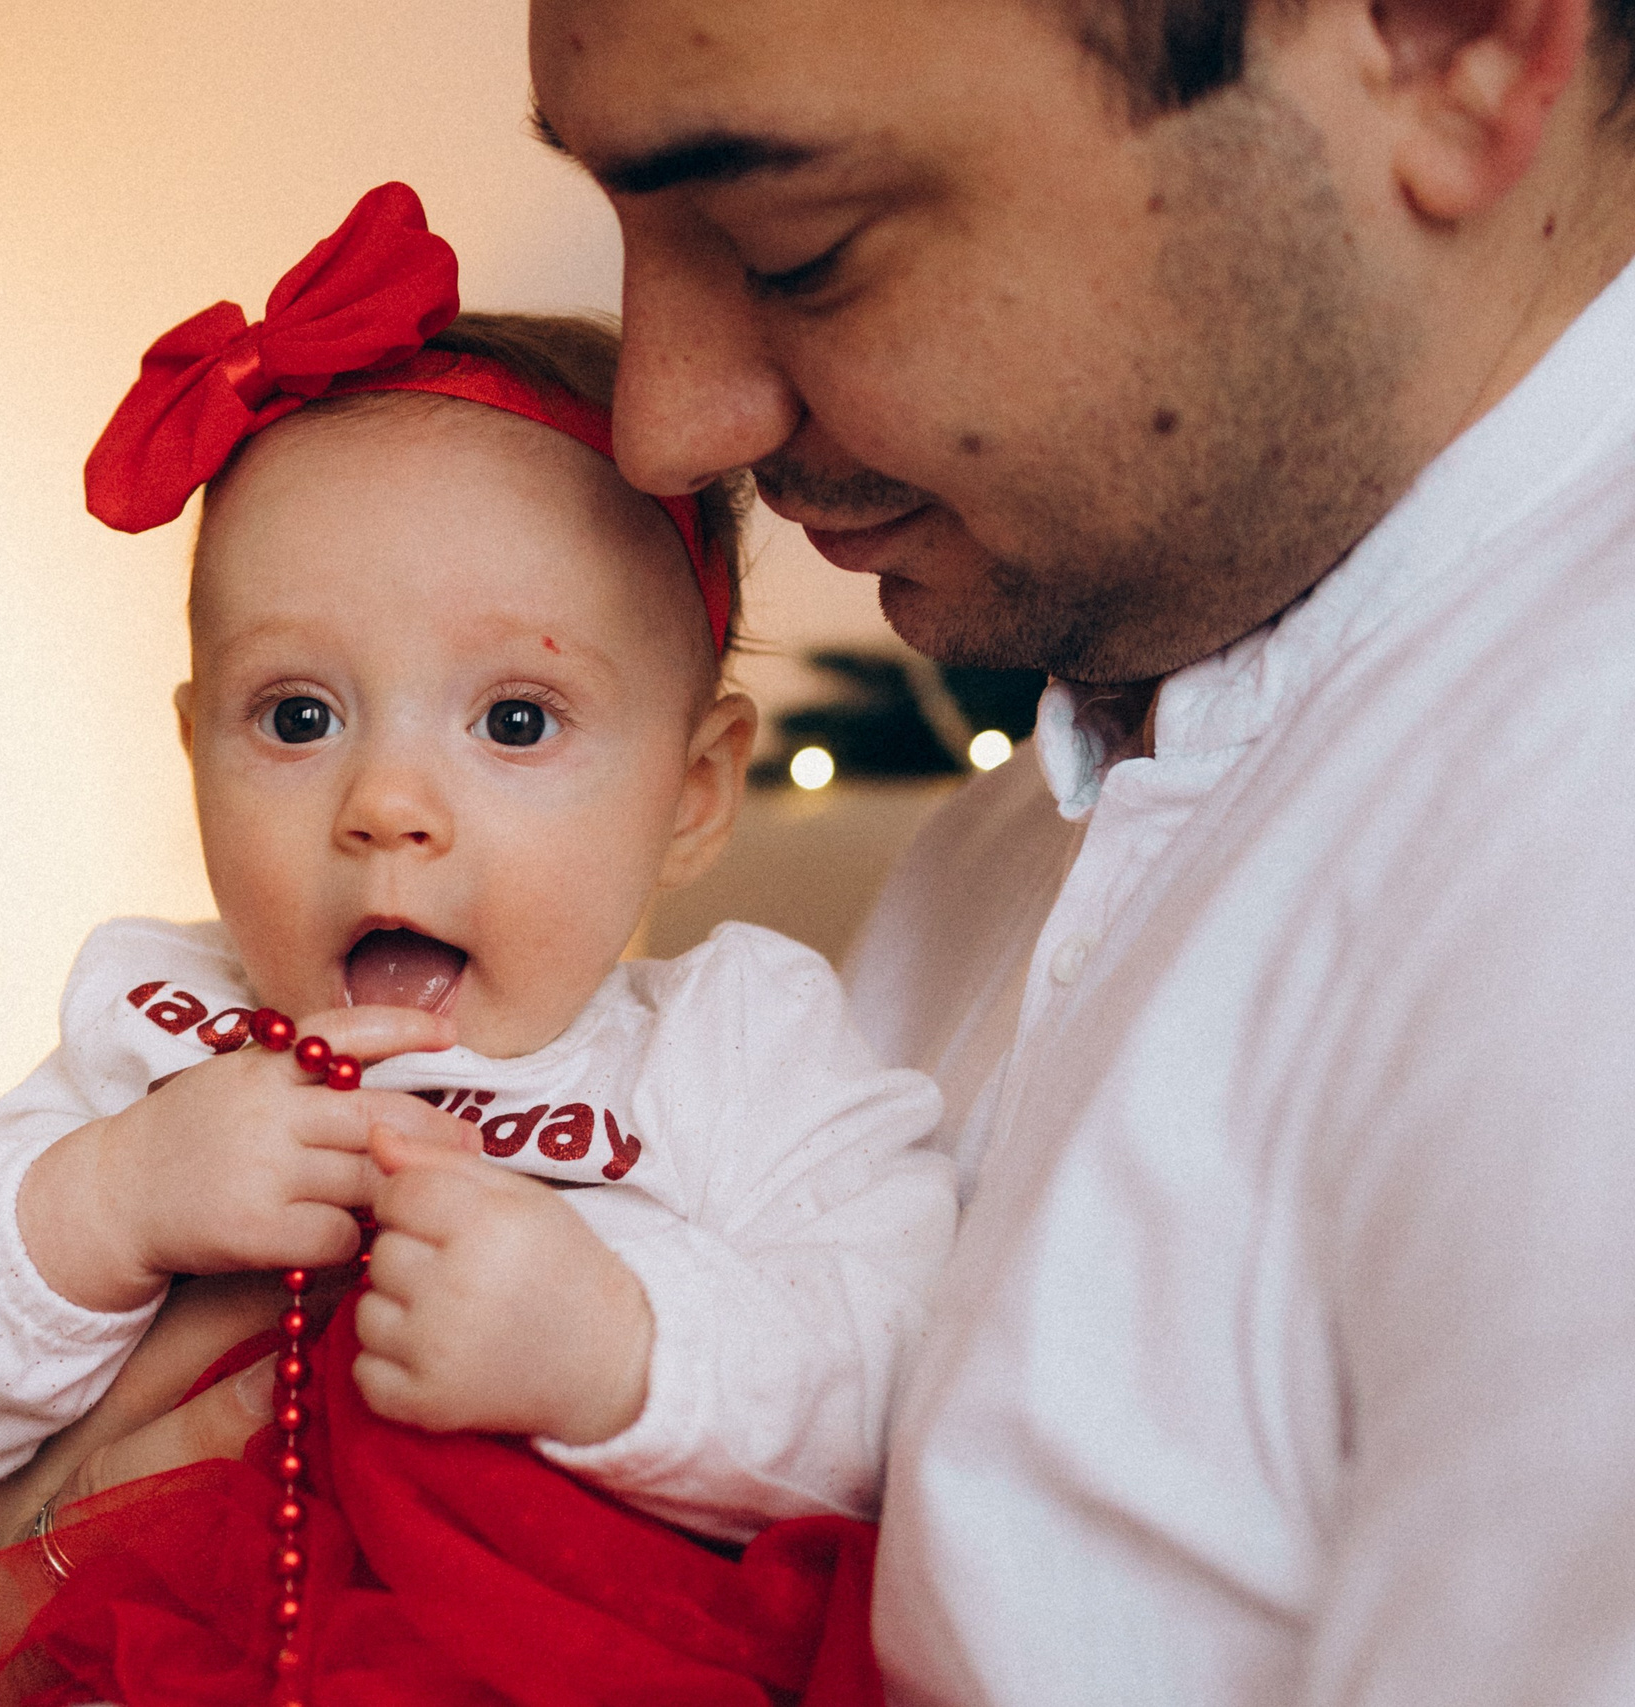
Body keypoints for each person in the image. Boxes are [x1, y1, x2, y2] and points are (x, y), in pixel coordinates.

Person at [525, 0, 1635, 1703]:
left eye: (795, 246)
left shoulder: (1579, 849)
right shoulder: (1014, 838)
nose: (666, 424)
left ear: (1449, 43)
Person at [0, 182, 952, 1705]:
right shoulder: (163, 1030)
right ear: (195, 752)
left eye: (515, 719)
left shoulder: (734, 1048)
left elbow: (899, 1379)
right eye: (297, 717)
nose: (387, 805)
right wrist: (113, 1203)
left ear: (692, 793)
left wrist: (617, 1349)